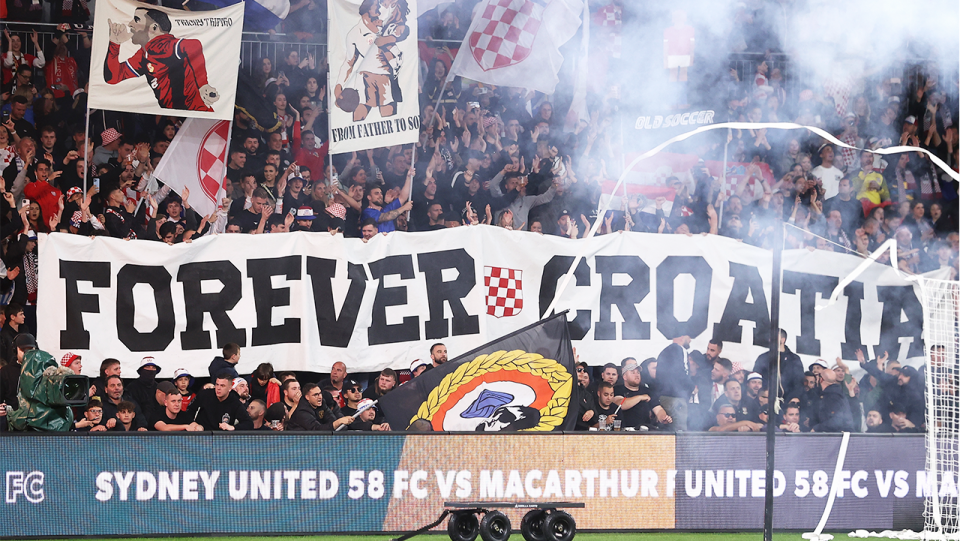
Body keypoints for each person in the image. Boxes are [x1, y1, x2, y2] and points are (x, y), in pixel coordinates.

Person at [104, 8, 219, 112]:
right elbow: (113, 77)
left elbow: (194, 45)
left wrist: (203, 84)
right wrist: (115, 44)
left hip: (196, 114)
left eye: (136, 20)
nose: (130, 24)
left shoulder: (167, 45)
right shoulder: (143, 55)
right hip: (174, 114)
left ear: (154, 27)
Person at [613, 357, 671, 429]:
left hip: (645, 431)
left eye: (638, 372)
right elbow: (620, 404)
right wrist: (640, 397)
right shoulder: (617, 389)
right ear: (625, 376)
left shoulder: (648, 391)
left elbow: (658, 409)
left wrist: (663, 418)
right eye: (633, 372)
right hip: (624, 431)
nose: (637, 375)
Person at [752, 329, 804, 402]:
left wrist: (794, 397)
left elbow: (799, 382)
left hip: (788, 402)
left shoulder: (794, 359)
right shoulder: (763, 357)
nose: (770, 339)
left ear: (783, 340)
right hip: (767, 401)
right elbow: (756, 377)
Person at [187, 374, 253, 431]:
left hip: (221, 438)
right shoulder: (205, 394)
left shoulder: (235, 402)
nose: (218, 388)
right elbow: (189, 411)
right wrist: (193, 423)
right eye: (217, 384)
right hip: (202, 434)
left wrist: (233, 427)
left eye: (222, 386)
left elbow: (248, 423)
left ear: (230, 388)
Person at [656, 334, 694, 430]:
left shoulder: (663, 352)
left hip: (663, 398)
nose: (690, 340)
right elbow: (683, 373)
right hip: (676, 399)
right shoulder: (680, 350)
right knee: (680, 433)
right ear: (682, 337)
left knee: (668, 432)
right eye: (689, 337)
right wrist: (691, 387)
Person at [287, 382, 354, 431]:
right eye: (316, 395)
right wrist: (338, 422)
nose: (320, 397)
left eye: (320, 393)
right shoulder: (302, 412)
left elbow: (331, 419)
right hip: (297, 442)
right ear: (307, 397)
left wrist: (338, 422)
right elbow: (316, 430)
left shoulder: (322, 403)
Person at [810, 366, 853, 433]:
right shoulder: (837, 393)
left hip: (839, 438)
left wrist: (817, 428)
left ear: (821, 380)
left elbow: (836, 420)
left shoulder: (832, 396)